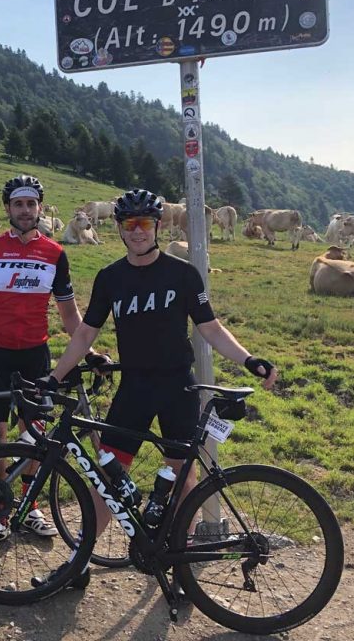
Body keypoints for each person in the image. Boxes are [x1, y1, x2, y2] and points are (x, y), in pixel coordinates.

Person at [34, 188, 278, 588]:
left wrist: (248, 359)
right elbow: (84, 334)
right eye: (129, 225)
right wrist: (54, 376)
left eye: (145, 224)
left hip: (177, 387)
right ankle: (79, 562)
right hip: (133, 387)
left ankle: (182, 569)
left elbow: (211, 328)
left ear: (158, 226)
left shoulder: (182, 274)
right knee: (110, 478)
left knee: (184, 477)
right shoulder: (109, 278)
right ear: (118, 229)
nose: (137, 232)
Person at [0, 174, 110, 550]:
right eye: (17, 204)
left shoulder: (54, 253)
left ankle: (30, 506)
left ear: (39, 208)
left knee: (33, 436)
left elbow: (69, 315)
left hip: (36, 355)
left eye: (31, 203)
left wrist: (89, 350)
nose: (24, 210)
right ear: (7, 209)